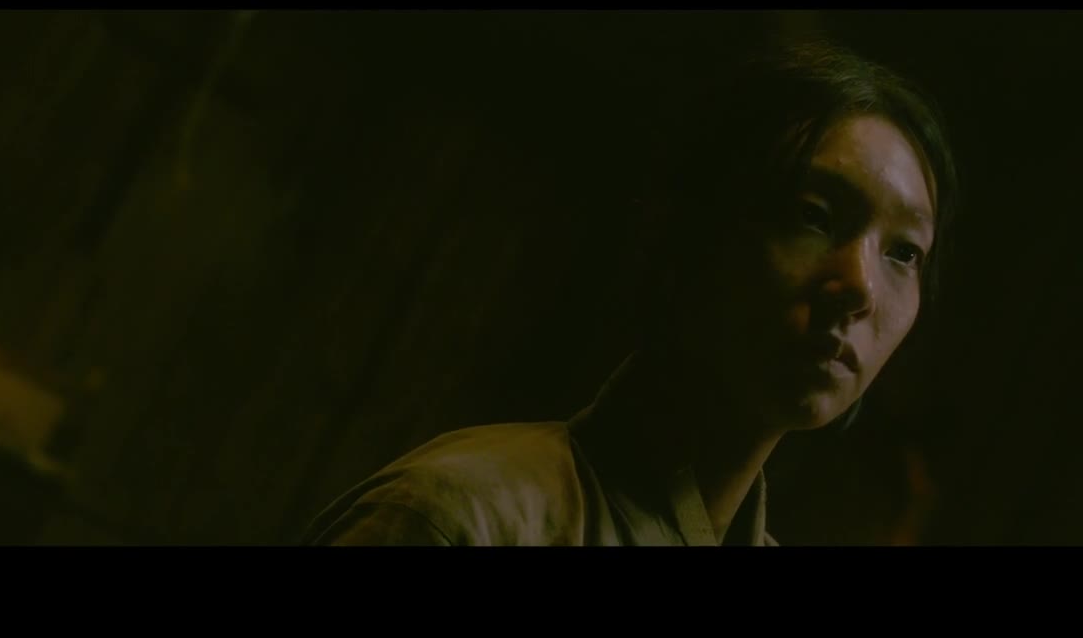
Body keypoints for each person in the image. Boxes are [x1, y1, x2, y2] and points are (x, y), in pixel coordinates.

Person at [300, 36, 960, 546]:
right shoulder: (464, 516)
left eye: (904, 252)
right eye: (813, 216)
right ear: (692, 237)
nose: (859, 286)